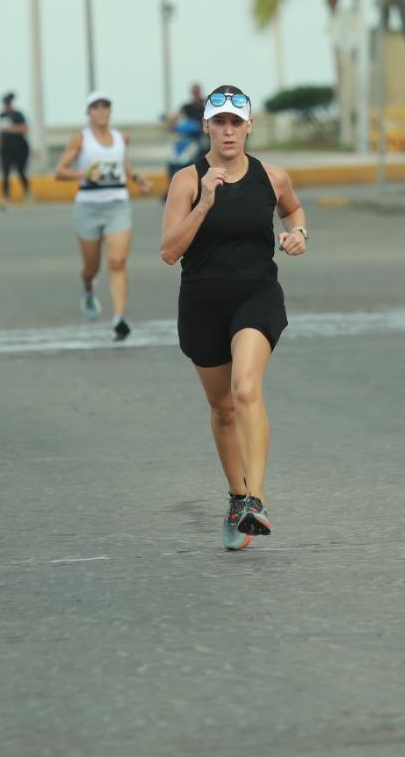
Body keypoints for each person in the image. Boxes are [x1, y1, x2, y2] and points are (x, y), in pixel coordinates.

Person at [160, 85, 307, 551]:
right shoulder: (187, 181)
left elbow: (293, 210)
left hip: (256, 295)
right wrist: (205, 202)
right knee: (223, 409)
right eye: (220, 122)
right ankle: (237, 497)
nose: (228, 131)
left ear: (249, 126)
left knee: (246, 389)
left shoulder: (272, 177)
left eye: (236, 123)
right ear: (206, 126)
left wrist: (299, 233)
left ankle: (255, 502)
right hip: (202, 302)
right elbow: (169, 251)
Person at [54, 91, 152, 341]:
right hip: (88, 207)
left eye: (105, 106)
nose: (101, 111)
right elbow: (60, 171)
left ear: (110, 111)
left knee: (117, 262)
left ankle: (119, 318)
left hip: (117, 204)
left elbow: (122, 164)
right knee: (92, 267)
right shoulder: (81, 138)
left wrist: (137, 179)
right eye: (95, 107)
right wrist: (85, 175)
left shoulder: (121, 138)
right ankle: (88, 289)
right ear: (88, 113)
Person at [0, 91, 32, 208]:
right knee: (5, 173)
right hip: (6, 149)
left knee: (21, 172)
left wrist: (11, 128)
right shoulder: (1, 115)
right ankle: (6, 197)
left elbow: (25, 129)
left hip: (19, 148)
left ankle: (27, 194)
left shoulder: (18, 115)